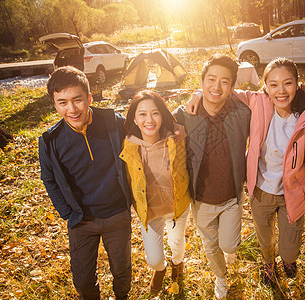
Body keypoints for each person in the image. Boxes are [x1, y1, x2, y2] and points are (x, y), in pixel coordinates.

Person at [186, 57, 305, 286]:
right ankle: (268, 264)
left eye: (287, 83)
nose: (280, 91)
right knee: (265, 239)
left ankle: (288, 260)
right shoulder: (258, 103)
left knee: (290, 249)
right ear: (265, 87)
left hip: (291, 195)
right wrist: (196, 93)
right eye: (273, 84)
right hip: (260, 191)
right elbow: (221, 91)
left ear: (297, 84)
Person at [38, 66, 132, 299]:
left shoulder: (112, 121)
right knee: (82, 280)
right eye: (62, 102)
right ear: (54, 104)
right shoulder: (51, 140)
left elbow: (148, 123)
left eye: (77, 100)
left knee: (122, 271)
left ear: (89, 97)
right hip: (81, 220)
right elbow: (49, 178)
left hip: (117, 215)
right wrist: (67, 212)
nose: (71, 109)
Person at [173, 54, 251, 299]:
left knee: (230, 244)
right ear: (202, 80)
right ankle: (221, 277)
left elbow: (271, 99)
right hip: (202, 198)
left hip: (231, 196)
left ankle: (230, 252)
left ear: (233, 86)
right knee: (210, 245)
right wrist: (195, 95)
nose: (216, 87)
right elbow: (147, 120)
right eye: (211, 79)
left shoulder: (242, 113)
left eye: (225, 81)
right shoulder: (184, 115)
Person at [119, 90, 191, 296]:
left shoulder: (176, 138)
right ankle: (161, 269)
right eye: (142, 114)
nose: (149, 120)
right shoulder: (128, 145)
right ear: (134, 117)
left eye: (155, 113)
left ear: (162, 115)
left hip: (177, 206)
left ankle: (177, 264)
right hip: (149, 211)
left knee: (177, 245)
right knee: (153, 259)